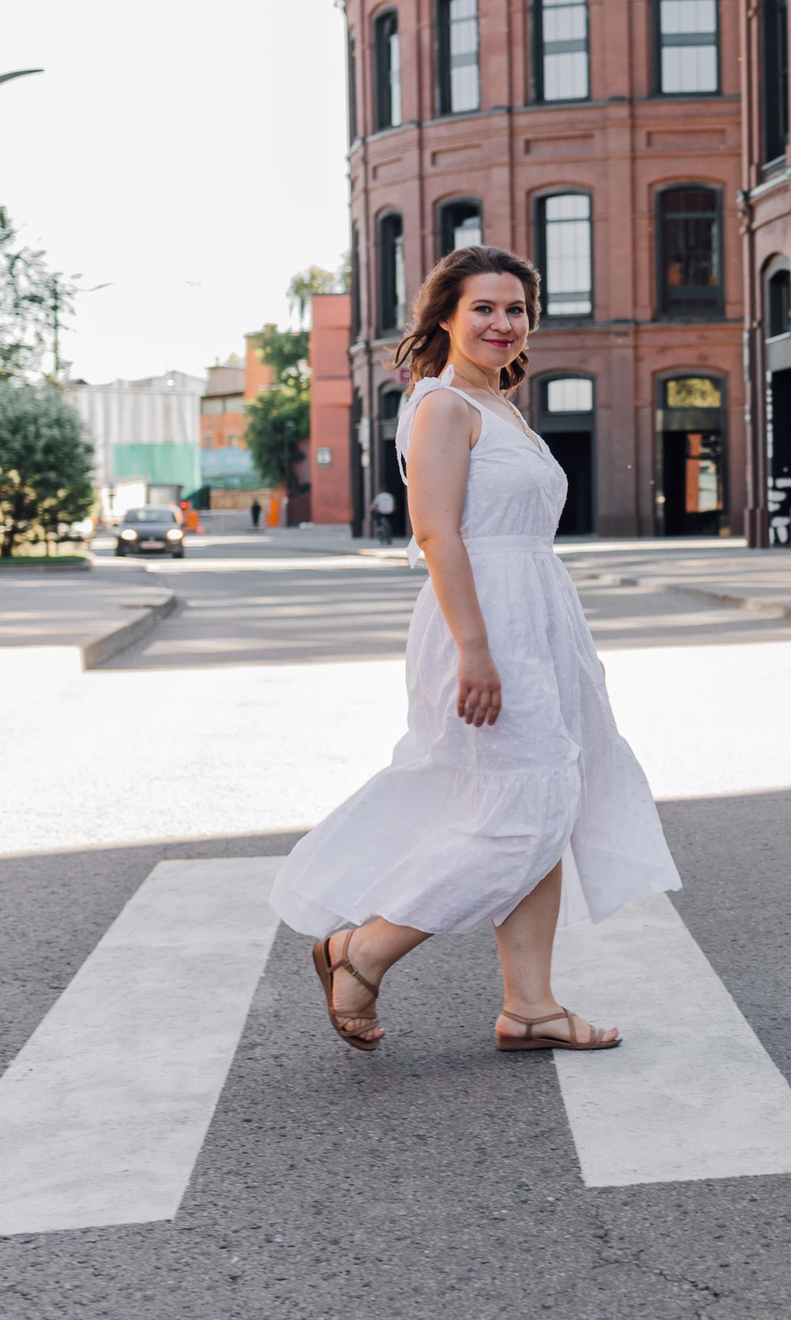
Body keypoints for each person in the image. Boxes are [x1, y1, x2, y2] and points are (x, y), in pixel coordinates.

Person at [272, 244, 679, 1054]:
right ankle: (363, 950)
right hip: (483, 623)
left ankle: (530, 1005)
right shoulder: (443, 406)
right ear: (447, 318)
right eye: (483, 308)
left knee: (542, 799)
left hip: (536, 618)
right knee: (523, 807)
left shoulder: (503, 408)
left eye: (516, 309)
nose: (502, 323)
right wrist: (476, 649)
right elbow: (435, 531)